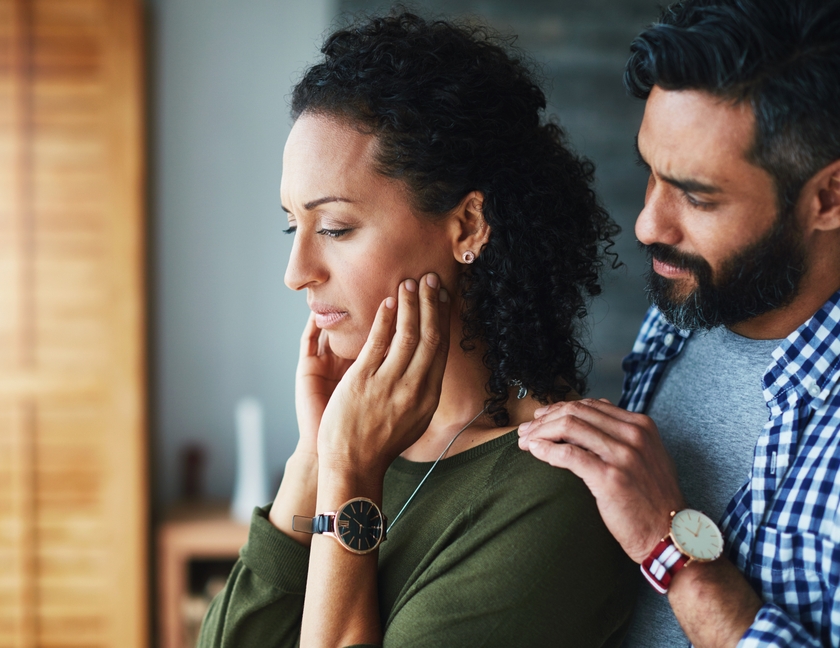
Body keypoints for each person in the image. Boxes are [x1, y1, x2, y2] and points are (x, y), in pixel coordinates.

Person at [198, 12, 637, 648]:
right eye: (293, 225)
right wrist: (314, 456)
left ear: (466, 228)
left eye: (337, 228)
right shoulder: (361, 444)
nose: (296, 273)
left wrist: (349, 474)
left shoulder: (551, 492)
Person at [517, 1, 840, 646]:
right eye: (650, 175)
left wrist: (670, 544)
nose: (647, 226)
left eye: (696, 196)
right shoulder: (689, 306)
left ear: (827, 198)